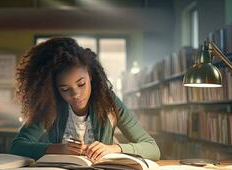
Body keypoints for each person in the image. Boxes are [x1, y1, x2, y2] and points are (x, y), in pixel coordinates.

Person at [10, 37, 160, 161]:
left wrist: (113, 149)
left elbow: (152, 148)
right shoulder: (50, 105)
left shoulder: (109, 101)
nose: (75, 94)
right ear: (53, 89)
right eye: (64, 89)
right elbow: (17, 147)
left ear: (91, 77)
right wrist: (57, 149)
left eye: (81, 84)